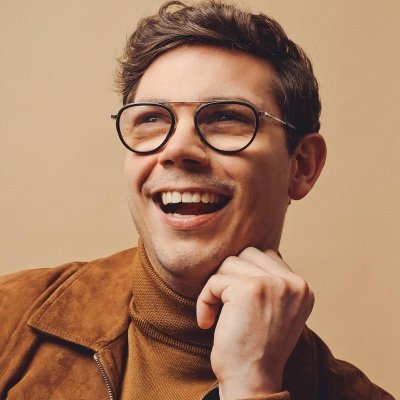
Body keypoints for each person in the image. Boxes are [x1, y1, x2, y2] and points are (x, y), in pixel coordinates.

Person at [0, 1, 394, 399]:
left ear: (302, 166)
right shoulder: (7, 320)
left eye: (227, 116)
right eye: (151, 118)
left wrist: (252, 386)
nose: (177, 148)